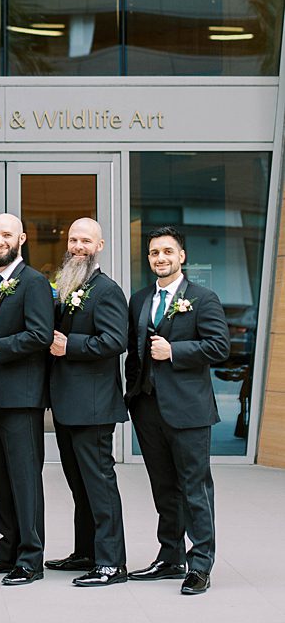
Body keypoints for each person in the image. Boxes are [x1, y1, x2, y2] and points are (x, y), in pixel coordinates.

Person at [125, 225, 229, 596]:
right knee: (164, 488)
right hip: (148, 408)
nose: (160, 258)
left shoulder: (203, 298)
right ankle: (170, 557)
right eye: (154, 253)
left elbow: (219, 347)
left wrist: (175, 352)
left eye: (167, 252)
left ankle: (200, 563)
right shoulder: (139, 300)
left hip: (188, 411)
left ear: (181, 256)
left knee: (195, 489)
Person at [0, 212, 53, 585]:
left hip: (20, 398)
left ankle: (31, 558)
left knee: (24, 479)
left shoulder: (33, 282)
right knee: (1, 479)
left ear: (21, 238)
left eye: (7, 234)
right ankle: (8, 550)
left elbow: (40, 335)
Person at [46, 217, 129, 587]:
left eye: (85, 241)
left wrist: (70, 346)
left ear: (100, 245)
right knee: (79, 484)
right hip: (67, 404)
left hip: (93, 406)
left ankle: (112, 563)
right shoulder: (71, 284)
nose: (78, 246)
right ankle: (86, 552)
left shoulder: (106, 290)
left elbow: (115, 341)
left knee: (99, 484)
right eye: (73, 239)